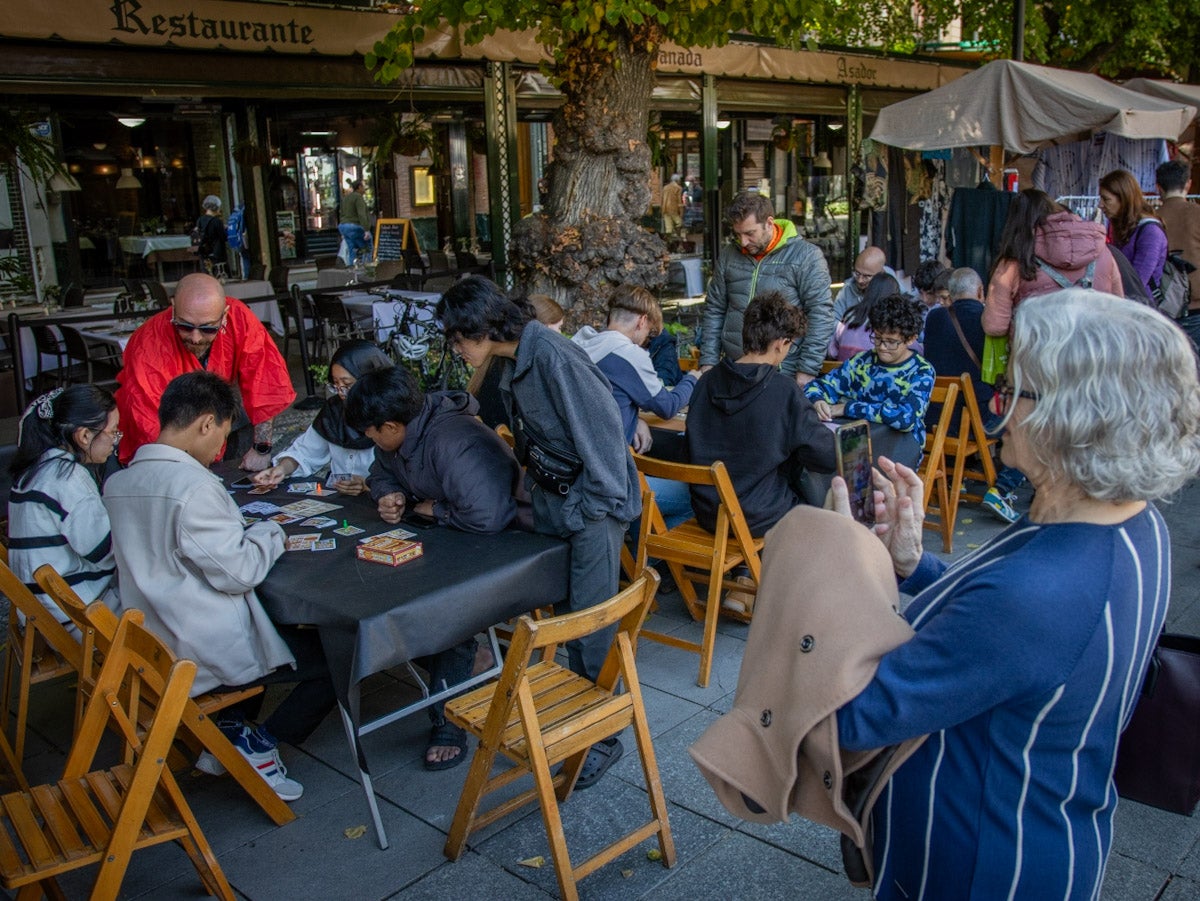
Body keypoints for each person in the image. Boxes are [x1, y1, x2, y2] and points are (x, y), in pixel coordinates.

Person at [832, 289, 1200, 899]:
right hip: (1050, 821)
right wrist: (915, 564)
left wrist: (833, 560)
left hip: (978, 862)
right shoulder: (1135, 523)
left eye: (1013, 391)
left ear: (1072, 416)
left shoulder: (1040, 593)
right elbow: (1003, 641)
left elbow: (853, 717)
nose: (995, 404)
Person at [438, 276, 639, 789]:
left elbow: (605, 441)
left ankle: (601, 737)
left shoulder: (553, 355)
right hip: (559, 503)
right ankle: (578, 723)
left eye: (458, 337)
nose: (457, 347)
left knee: (591, 626)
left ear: (480, 327)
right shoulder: (509, 355)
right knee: (569, 614)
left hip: (590, 508)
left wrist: (590, 512)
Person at [104, 371, 336, 802]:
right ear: (206, 423)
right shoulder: (191, 487)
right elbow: (239, 573)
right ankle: (258, 744)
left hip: (151, 636)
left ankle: (228, 729)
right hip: (199, 646)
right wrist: (269, 533)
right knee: (335, 657)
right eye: (224, 435)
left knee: (282, 632)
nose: (222, 449)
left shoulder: (118, 482)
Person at [345, 365, 521, 769]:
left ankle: (449, 717)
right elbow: (380, 472)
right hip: (452, 532)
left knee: (443, 607)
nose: (369, 439)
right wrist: (388, 495)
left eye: (371, 432)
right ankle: (464, 664)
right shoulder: (398, 436)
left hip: (502, 544)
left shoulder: (451, 440)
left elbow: (489, 516)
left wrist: (433, 508)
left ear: (390, 425)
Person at [687, 291, 835, 539]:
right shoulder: (784, 391)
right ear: (780, 343)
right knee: (821, 500)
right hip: (759, 515)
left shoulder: (706, 381)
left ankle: (747, 568)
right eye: (790, 344)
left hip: (708, 512)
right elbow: (826, 456)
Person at [115, 272, 295, 469]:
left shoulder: (239, 317)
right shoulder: (149, 341)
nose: (196, 338)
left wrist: (262, 448)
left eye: (208, 329)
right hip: (165, 436)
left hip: (216, 418)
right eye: (184, 326)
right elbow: (149, 421)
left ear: (224, 316)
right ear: (173, 308)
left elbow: (265, 382)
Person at [572, 285, 698, 528]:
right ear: (642, 321)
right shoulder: (627, 354)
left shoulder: (581, 345)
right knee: (695, 496)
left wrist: (634, 418)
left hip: (580, 470)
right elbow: (668, 406)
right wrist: (692, 379)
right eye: (649, 333)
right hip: (612, 479)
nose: (646, 342)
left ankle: (638, 553)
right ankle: (648, 561)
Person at [7, 386, 121, 627]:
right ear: (84, 436)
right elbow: (106, 552)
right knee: (162, 601)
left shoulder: (39, 468)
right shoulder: (67, 478)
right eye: (113, 433)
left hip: (41, 612)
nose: (115, 442)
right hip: (75, 618)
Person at [922, 267, 1026, 522]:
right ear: (980, 292)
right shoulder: (989, 321)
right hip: (975, 425)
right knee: (1028, 427)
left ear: (952, 293)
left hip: (935, 422)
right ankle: (1000, 490)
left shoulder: (934, 318)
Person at [700, 192, 834, 386]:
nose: (743, 242)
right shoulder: (729, 255)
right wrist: (708, 361)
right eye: (737, 235)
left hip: (783, 369)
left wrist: (807, 368)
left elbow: (821, 313)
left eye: (750, 233)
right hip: (736, 366)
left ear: (769, 223)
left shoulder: (806, 256)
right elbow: (715, 309)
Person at [805, 293, 934, 468]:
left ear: (911, 338)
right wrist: (818, 399)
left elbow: (905, 418)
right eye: (878, 338)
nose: (882, 347)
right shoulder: (861, 361)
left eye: (891, 341)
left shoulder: (921, 371)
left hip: (899, 450)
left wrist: (846, 408)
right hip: (857, 444)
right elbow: (818, 386)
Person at [252, 340, 391, 495]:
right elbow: (305, 452)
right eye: (335, 385)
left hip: (383, 502)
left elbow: (405, 476)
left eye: (347, 385)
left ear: (370, 381)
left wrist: (367, 484)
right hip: (341, 500)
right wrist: (281, 469)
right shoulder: (335, 411)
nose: (341, 393)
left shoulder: (391, 415)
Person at [982, 188, 1123, 337]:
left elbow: (994, 326)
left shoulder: (1015, 261)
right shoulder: (1103, 253)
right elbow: (1120, 310)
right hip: (1096, 352)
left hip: (1039, 355)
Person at [470, 293, 564, 430]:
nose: (561, 334)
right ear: (542, 326)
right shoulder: (514, 369)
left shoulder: (495, 363)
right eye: (559, 327)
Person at [1100, 169, 1167, 297]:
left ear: (1124, 198)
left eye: (1106, 199)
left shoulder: (1151, 233)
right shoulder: (1120, 226)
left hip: (1140, 310)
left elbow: (1136, 284)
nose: (1100, 205)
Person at [1155, 159, 1200, 345]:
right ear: (1188, 184)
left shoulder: (1149, 219)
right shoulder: (1197, 213)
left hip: (1161, 306)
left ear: (1158, 188)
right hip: (1197, 305)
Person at [828, 272, 903, 362]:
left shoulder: (850, 315)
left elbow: (832, 352)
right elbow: (914, 351)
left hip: (844, 372)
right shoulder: (891, 322)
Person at [832, 246, 886, 321]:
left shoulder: (892, 286)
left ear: (881, 273)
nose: (860, 280)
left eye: (867, 276)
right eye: (857, 273)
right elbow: (833, 319)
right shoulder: (848, 288)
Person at [338, 179, 373, 265]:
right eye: (363, 187)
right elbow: (362, 214)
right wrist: (366, 230)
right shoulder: (358, 197)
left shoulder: (346, 198)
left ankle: (352, 269)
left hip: (343, 226)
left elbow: (341, 213)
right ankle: (368, 268)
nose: (364, 189)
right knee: (367, 246)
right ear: (359, 187)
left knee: (351, 249)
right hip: (354, 225)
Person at [194, 195, 226, 275]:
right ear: (215, 207)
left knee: (206, 274)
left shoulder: (200, 220)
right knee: (218, 274)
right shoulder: (217, 221)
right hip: (216, 253)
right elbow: (223, 237)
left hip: (203, 251)